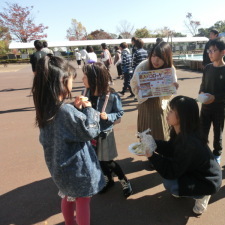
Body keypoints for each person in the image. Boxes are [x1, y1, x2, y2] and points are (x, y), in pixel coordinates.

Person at [31, 55, 105, 225]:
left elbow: (64, 128)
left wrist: (75, 108)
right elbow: (89, 131)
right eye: (71, 80)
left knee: (67, 197)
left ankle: (69, 223)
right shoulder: (65, 111)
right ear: (63, 82)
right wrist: (89, 110)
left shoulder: (45, 108)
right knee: (83, 200)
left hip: (59, 166)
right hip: (77, 169)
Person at [140, 96, 222, 215]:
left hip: (208, 182)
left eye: (171, 111)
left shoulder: (189, 143)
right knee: (170, 166)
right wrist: (153, 143)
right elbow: (172, 148)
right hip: (197, 172)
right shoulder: (183, 131)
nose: (167, 113)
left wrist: (152, 156)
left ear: (183, 117)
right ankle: (188, 189)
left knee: (170, 183)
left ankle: (202, 195)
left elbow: (171, 171)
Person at [82, 62, 133, 198]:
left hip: (105, 133)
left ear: (95, 79)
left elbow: (119, 112)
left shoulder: (111, 95)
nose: (82, 79)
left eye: (85, 77)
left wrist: (108, 116)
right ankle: (108, 180)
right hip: (90, 133)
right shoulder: (85, 92)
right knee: (97, 159)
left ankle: (124, 180)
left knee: (108, 161)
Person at [131, 41, 179, 141]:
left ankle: (163, 153)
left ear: (166, 58)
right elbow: (133, 83)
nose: (155, 60)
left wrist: (173, 87)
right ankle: (149, 154)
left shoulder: (170, 69)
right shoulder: (142, 67)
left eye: (160, 57)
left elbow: (170, 90)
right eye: (153, 56)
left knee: (162, 132)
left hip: (161, 104)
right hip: (146, 104)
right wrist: (138, 89)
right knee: (147, 134)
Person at [198, 38, 225, 164]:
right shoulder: (208, 68)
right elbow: (203, 85)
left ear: (223, 52)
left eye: (214, 50)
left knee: (217, 132)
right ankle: (202, 152)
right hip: (205, 107)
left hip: (219, 108)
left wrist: (214, 97)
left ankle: (217, 153)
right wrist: (202, 93)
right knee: (202, 131)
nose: (210, 53)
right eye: (209, 50)